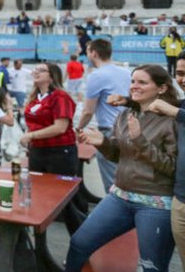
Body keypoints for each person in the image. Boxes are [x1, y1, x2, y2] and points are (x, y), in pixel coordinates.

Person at [66, 65, 179, 272]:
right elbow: (118, 155)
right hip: (120, 195)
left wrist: (140, 141)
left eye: (142, 82)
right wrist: (102, 143)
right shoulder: (126, 113)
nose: (134, 86)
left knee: (151, 266)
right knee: (79, 243)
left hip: (154, 203)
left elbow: (173, 168)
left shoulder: (172, 121)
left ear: (161, 88)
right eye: (133, 81)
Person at [21, 62, 82, 233]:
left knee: (63, 200)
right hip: (38, 152)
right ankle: (40, 243)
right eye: (35, 69)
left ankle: (81, 241)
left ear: (52, 75)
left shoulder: (60, 97)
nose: (36, 72)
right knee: (38, 197)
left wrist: (31, 136)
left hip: (59, 153)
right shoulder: (34, 98)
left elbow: (60, 127)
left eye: (41, 70)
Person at [146, 52, 185, 269]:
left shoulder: (178, 110)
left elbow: (170, 109)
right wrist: (126, 101)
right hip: (181, 201)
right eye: (179, 73)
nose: (183, 79)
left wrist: (172, 111)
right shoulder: (182, 104)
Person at [78, 38, 131, 193]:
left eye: (87, 52)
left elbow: (88, 111)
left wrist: (78, 128)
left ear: (94, 53)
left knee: (112, 184)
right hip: (128, 129)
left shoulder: (97, 76)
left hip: (110, 131)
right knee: (125, 178)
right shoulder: (125, 72)